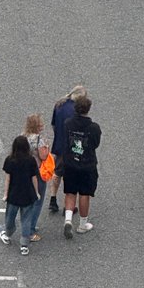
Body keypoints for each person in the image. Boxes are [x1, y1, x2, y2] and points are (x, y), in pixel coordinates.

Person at [61, 93, 101, 237]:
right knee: (84, 193)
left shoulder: (67, 123)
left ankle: (68, 220)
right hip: (87, 164)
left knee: (70, 192)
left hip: (70, 162)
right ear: (88, 109)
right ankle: (83, 225)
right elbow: (95, 144)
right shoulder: (93, 127)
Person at [48, 85, 86, 214]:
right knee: (71, 176)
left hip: (59, 144)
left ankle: (52, 200)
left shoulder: (59, 104)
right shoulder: (76, 110)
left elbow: (53, 124)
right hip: (72, 148)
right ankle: (68, 207)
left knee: (57, 172)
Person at [0, 135, 39, 256]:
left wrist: (5, 194)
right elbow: (34, 178)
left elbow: (8, 179)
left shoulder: (10, 160)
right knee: (26, 220)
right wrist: (37, 193)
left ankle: (8, 233)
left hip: (14, 195)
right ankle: (24, 245)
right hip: (28, 195)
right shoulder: (31, 160)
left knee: (10, 217)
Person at [24, 113, 50, 241]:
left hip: (24, 172)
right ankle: (30, 230)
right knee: (37, 201)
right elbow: (44, 156)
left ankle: (26, 224)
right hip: (37, 173)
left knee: (27, 201)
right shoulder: (40, 140)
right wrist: (47, 148)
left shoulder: (23, 137)